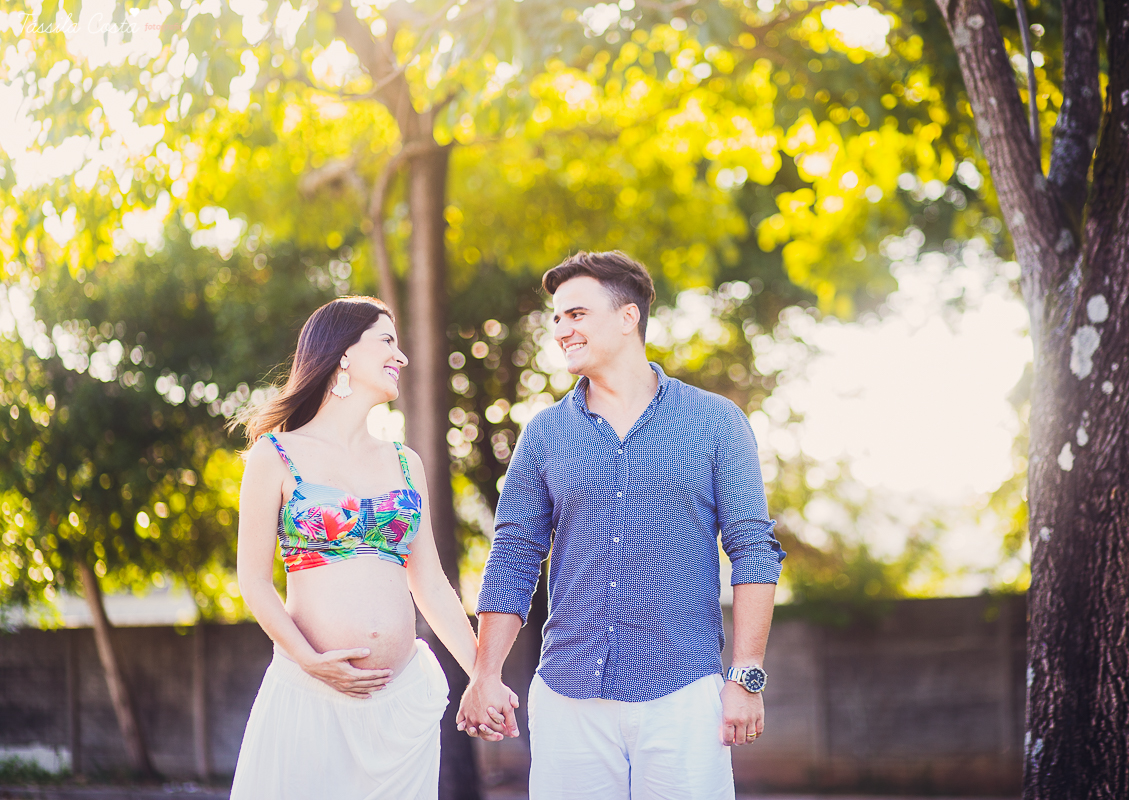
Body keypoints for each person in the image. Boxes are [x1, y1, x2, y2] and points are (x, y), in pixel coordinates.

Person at [457, 252, 785, 799]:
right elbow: (514, 553)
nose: (562, 329)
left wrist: (745, 675)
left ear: (628, 317)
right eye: (557, 318)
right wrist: (485, 673)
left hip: (683, 692)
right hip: (570, 697)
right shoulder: (544, 436)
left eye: (577, 314)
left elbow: (753, 549)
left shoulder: (715, 421)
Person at [230, 296, 479, 800]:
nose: (401, 357)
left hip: (401, 705)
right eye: (388, 341)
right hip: (311, 692)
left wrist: (484, 673)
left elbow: (429, 582)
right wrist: (307, 659)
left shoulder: (406, 462)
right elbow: (254, 582)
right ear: (343, 353)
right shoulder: (274, 455)